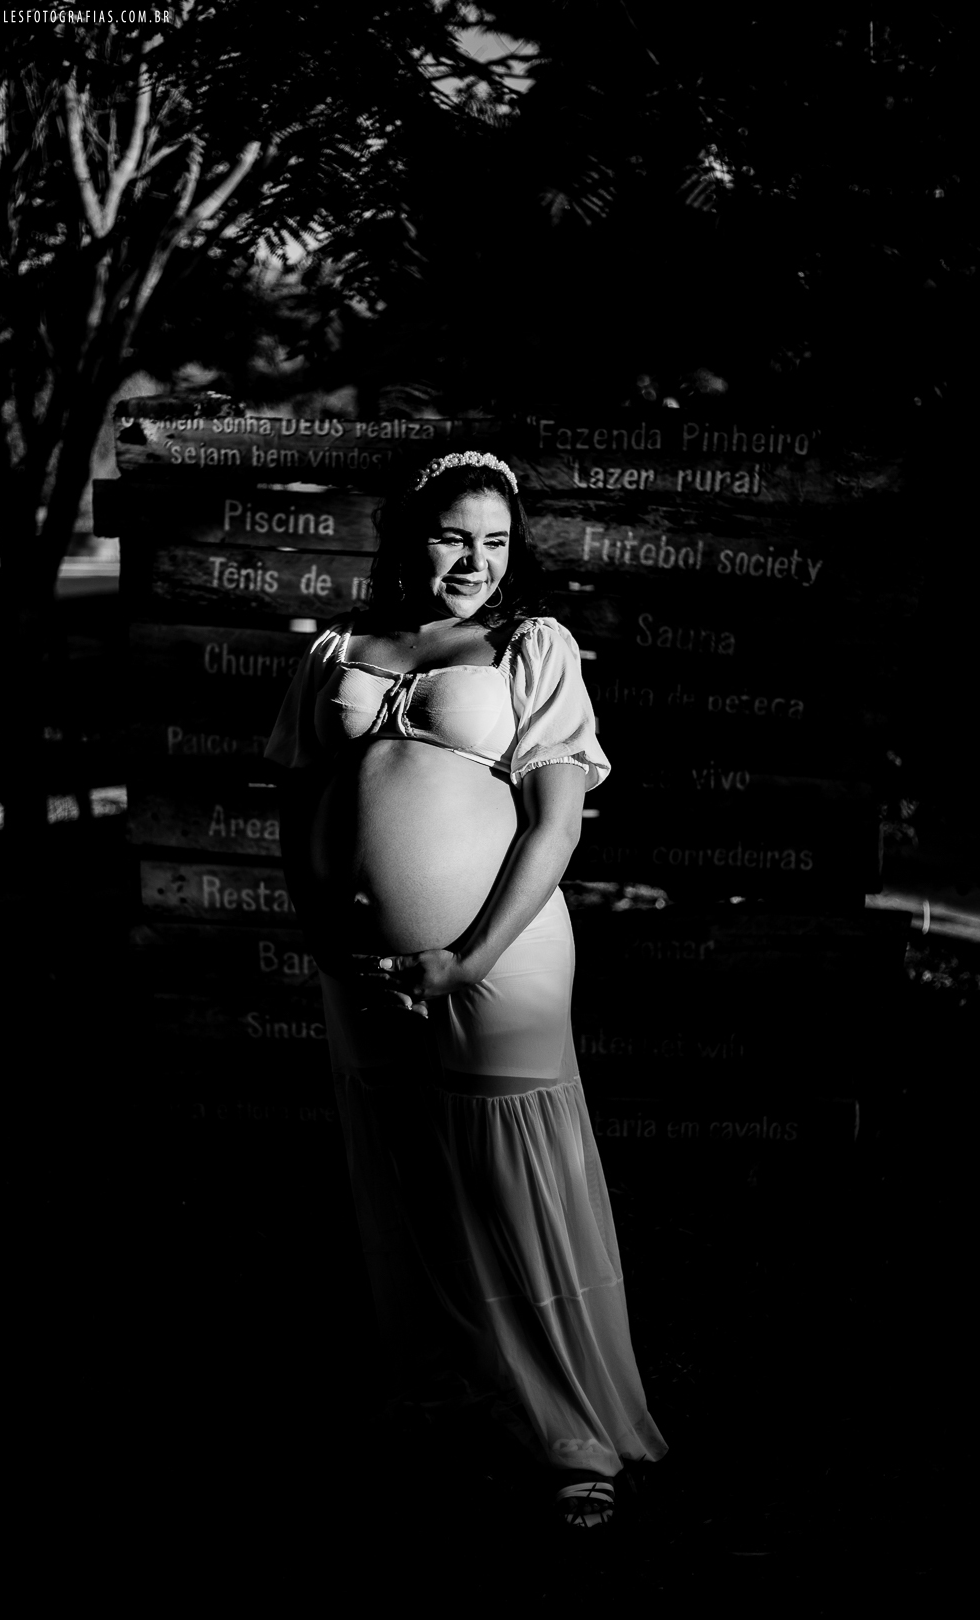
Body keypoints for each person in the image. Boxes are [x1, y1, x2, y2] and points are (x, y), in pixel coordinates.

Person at [264, 449, 668, 1527]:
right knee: (409, 1175)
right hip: (361, 965)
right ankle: (454, 1387)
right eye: (455, 536)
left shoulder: (531, 648)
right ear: (411, 535)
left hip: (499, 956)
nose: (475, 562)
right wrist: (325, 935)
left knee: (514, 1179)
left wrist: (466, 960)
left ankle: (576, 1426)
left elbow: (555, 827)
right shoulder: (342, 647)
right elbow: (300, 805)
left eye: (496, 542)